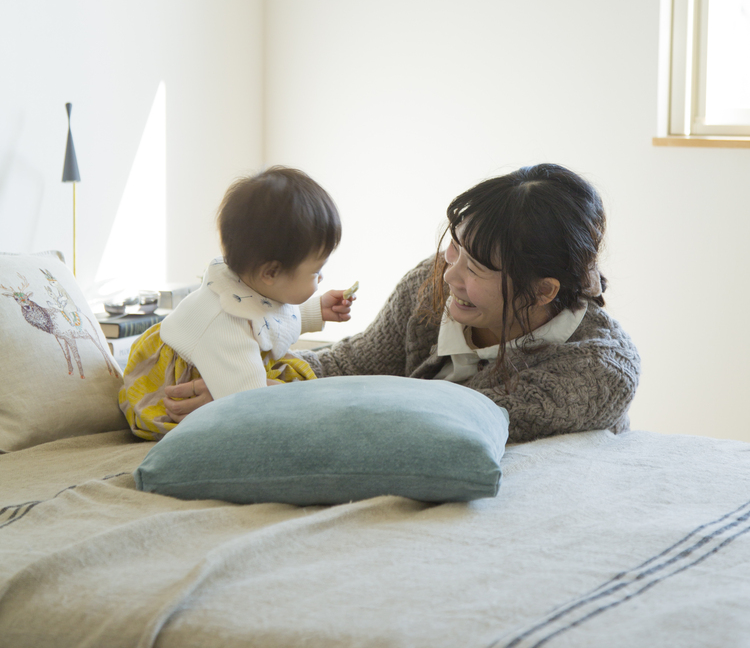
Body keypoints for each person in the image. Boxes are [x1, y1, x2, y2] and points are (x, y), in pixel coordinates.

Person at [164, 163, 640, 444]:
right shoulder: (430, 286)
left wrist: (272, 402)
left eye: (474, 268)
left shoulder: (598, 369)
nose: (449, 273)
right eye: (454, 248)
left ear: (543, 291)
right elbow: (359, 361)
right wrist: (249, 381)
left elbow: (446, 419)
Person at [119, 166, 355, 440]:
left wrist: (316, 311)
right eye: (316, 271)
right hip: (177, 391)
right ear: (271, 273)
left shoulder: (249, 282)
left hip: (229, 366)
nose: (322, 276)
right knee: (289, 403)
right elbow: (251, 406)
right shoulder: (227, 324)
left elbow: (266, 318)